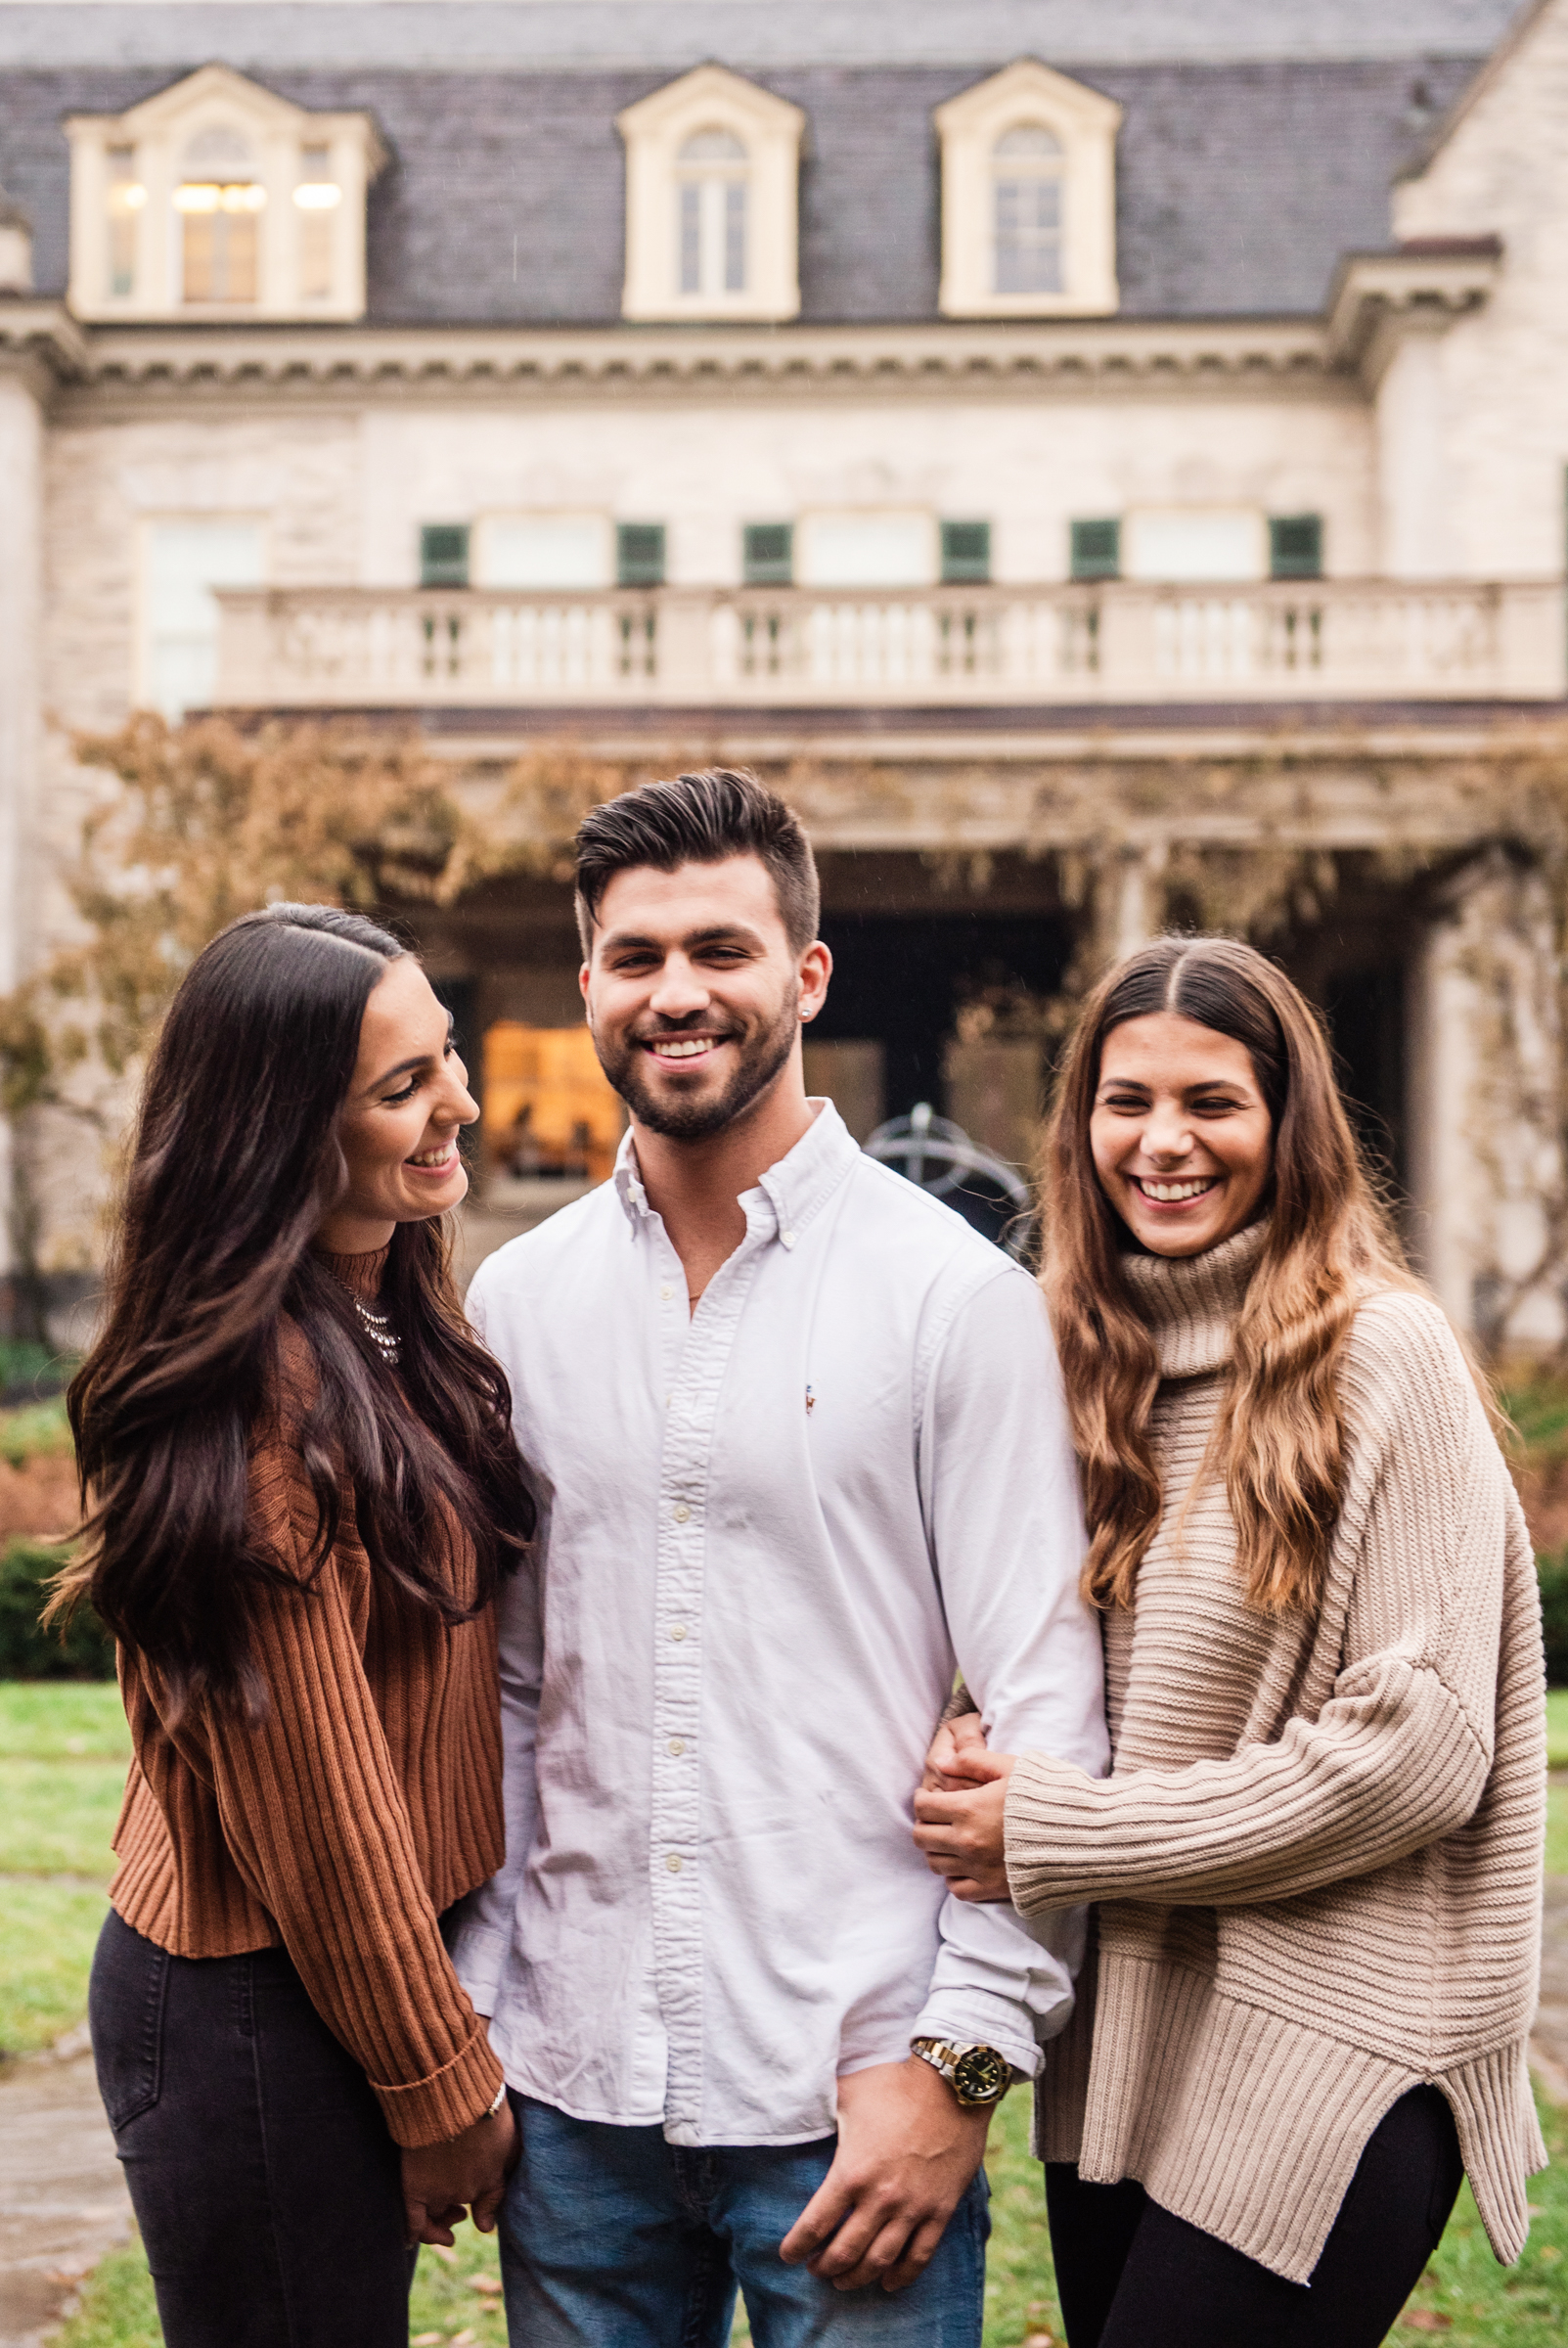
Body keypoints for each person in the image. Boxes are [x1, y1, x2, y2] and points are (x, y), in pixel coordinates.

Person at [448, 768, 1108, 2348]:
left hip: (854, 2093)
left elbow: (1046, 1716)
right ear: (592, 982)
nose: (678, 993)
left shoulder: (953, 1302)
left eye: (722, 950)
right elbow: (513, 1696)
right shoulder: (518, 1305)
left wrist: (958, 2072)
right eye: (635, 956)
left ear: (806, 974)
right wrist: (478, 2023)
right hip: (571, 2099)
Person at [913, 935, 1547, 2348]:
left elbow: (1421, 1749)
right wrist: (973, 1731)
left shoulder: (1381, 1355)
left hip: (1334, 2029)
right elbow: (1055, 1662)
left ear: (1290, 1125)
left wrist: (1058, 1832)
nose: (1165, 1141)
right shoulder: (1080, 1361)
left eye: (1214, 1101)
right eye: (1126, 1101)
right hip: (1133, 2035)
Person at [56, 904, 533, 2348]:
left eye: (443, 1054)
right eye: (401, 1087)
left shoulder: (389, 1309)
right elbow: (316, 1803)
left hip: (350, 1985)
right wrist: (441, 2083)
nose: (457, 1099)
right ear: (279, 1133)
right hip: (256, 2011)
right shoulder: (249, 1393)